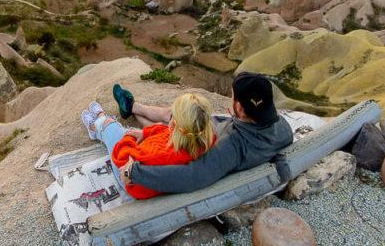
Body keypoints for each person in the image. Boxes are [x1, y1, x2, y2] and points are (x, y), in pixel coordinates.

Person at [113, 71, 293, 193]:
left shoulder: (231, 147)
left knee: (171, 119)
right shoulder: (282, 128)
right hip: (210, 128)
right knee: (168, 119)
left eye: (232, 96)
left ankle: (132, 107)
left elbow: (192, 176)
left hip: (198, 138)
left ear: (239, 107)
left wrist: (135, 173)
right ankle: (132, 107)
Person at [81, 93, 215, 199]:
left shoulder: (159, 155)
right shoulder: (201, 136)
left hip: (130, 181)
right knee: (127, 131)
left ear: (173, 124)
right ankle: (100, 122)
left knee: (109, 126)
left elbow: (121, 158)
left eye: (172, 114)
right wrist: (144, 133)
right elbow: (164, 131)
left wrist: (129, 137)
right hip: (145, 163)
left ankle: (97, 124)